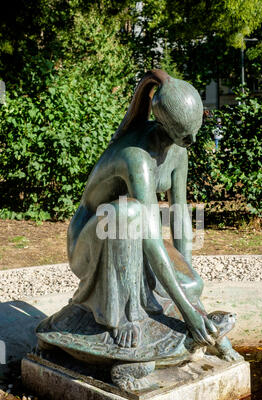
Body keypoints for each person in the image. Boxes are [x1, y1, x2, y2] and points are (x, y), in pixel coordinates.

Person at [63, 70, 219, 349]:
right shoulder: (137, 157)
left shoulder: (178, 150)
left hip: (130, 238)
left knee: (193, 285)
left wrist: (190, 295)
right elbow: (149, 233)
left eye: (194, 133)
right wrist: (187, 312)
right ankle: (121, 316)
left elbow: (180, 215)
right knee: (128, 212)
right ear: (164, 124)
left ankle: (159, 300)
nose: (191, 142)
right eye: (185, 135)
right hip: (92, 244)